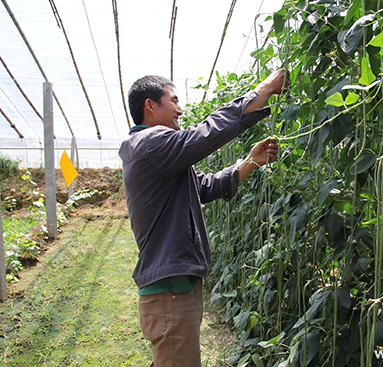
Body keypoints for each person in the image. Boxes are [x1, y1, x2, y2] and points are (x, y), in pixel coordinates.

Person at [119, 69, 288, 367]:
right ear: (150, 106)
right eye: (174, 100)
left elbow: (205, 186)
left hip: (176, 289)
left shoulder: (156, 155)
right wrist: (261, 92)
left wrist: (250, 161)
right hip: (170, 293)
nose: (180, 109)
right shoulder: (150, 143)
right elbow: (205, 134)